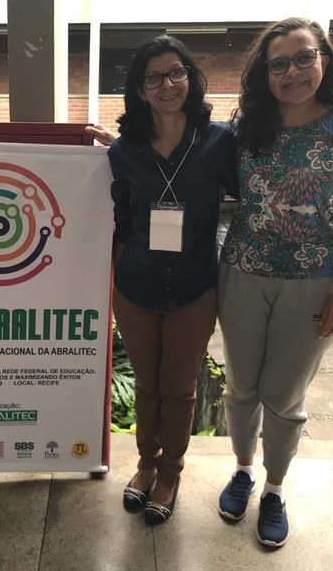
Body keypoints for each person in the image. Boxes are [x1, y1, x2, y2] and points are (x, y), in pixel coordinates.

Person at [216, 17, 333, 548]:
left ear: (324, 60)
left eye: (304, 58)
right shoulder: (247, 127)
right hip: (242, 272)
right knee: (241, 386)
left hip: (313, 280)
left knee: (284, 396)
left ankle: (274, 489)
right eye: (279, 64)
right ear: (264, 74)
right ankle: (243, 470)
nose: (292, 72)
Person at [107, 35, 238, 525]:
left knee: (179, 391)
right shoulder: (124, 151)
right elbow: (122, 220)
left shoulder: (220, 142)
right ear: (140, 90)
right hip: (136, 288)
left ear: (191, 77)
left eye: (176, 72)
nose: (168, 84)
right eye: (154, 77)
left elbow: (252, 192)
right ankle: (145, 465)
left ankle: (170, 473)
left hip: (193, 291)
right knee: (146, 386)